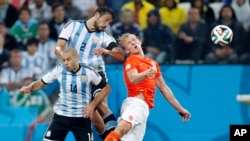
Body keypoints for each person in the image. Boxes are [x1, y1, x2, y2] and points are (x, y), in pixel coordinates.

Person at [104, 33, 191, 141]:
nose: (133, 43)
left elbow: (164, 88)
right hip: (135, 103)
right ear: (127, 50)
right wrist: (146, 73)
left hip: (144, 109)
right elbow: (133, 78)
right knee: (122, 128)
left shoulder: (153, 63)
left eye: (134, 40)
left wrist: (180, 109)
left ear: (140, 41)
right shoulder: (131, 60)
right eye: (129, 44)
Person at [54, 6, 124, 139]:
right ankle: (109, 137)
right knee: (95, 119)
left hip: (95, 74)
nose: (106, 25)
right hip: (75, 76)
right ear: (97, 15)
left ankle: (119, 137)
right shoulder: (73, 25)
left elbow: (120, 55)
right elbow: (58, 47)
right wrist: (67, 58)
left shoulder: (104, 36)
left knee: (101, 104)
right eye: (105, 20)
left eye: (109, 23)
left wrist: (107, 51)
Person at [19, 47, 111, 141]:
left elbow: (107, 88)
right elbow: (41, 82)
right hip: (61, 116)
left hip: (81, 118)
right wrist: (30, 87)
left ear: (77, 58)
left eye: (68, 59)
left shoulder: (88, 72)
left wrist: (93, 104)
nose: (65, 63)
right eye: (63, 60)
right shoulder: (59, 70)